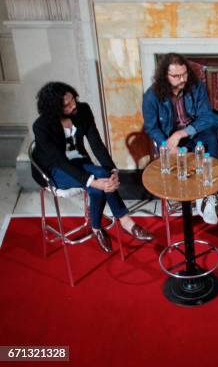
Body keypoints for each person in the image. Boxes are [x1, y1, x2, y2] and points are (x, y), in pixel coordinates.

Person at [32, 82, 154, 253]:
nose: (73, 105)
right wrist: (92, 181)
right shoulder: (41, 126)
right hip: (53, 170)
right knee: (96, 183)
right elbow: (60, 161)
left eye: (73, 99)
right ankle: (125, 222)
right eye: (67, 105)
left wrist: (113, 170)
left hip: (79, 163)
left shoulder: (82, 110)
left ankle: (97, 227)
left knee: (103, 175)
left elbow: (96, 143)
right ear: (54, 109)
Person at [142, 53, 218, 225]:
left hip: (194, 131)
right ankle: (196, 192)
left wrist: (182, 133)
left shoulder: (197, 86)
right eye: (176, 76)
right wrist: (166, 145)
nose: (182, 79)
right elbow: (152, 128)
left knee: (210, 135)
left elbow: (206, 116)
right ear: (164, 77)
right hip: (170, 138)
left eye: (184, 74)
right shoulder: (151, 96)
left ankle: (208, 195)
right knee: (182, 155)